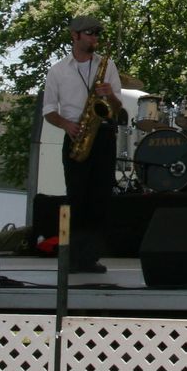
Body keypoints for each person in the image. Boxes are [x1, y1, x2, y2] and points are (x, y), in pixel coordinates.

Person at [41, 15, 121, 274]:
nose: (94, 38)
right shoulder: (58, 70)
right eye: (89, 33)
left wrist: (110, 95)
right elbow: (48, 110)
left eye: (97, 33)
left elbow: (117, 107)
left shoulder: (107, 66)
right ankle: (73, 257)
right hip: (76, 134)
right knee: (76, 197)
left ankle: (90, 257)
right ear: (74, 36)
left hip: (103, 135)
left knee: (100, 198)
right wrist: (66, 125)